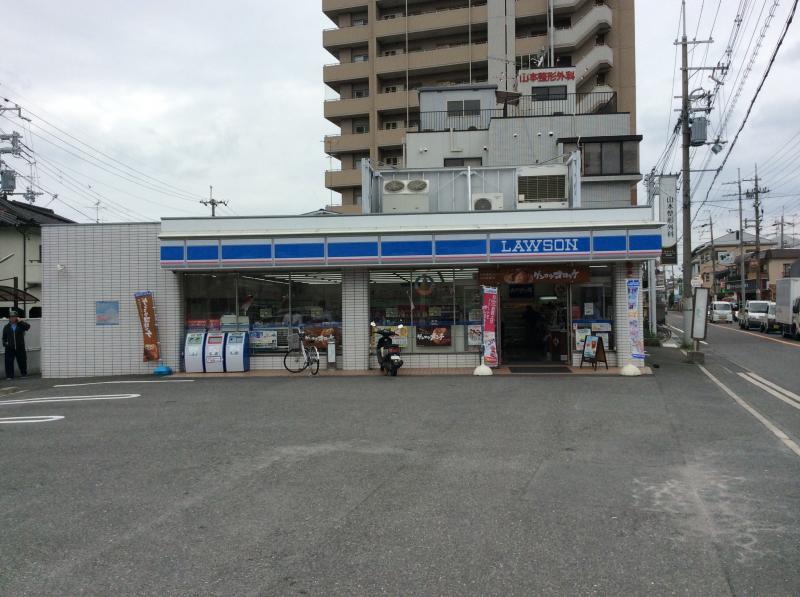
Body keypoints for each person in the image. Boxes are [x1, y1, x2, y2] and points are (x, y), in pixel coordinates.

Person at [3, 310, 31, 380]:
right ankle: (9, 376)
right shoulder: (6, 327)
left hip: (20, 347)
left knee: (22, 360)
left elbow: (27, 327)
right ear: (9, 318)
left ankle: (23, 374)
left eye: (14, 317)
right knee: (8, 362)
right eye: (11, 317)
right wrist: (5, 343)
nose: (12, 318)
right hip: (9, 347)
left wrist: (20, 321)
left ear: (17, 317)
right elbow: (4, 338)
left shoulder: (20, 325)